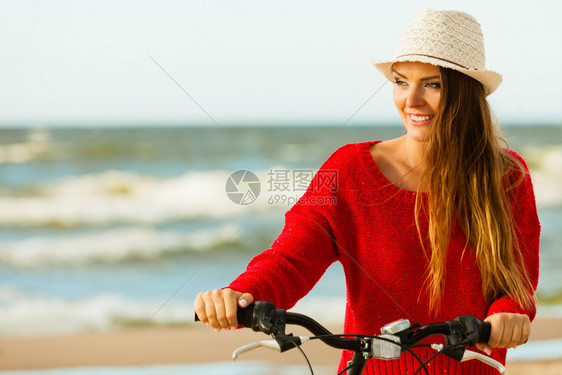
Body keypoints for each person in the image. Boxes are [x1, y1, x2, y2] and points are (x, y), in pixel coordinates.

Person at [194, 8, 540, 374]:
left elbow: (516, 286)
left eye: (432, 84)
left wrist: (509, 315)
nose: (412, 100)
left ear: (466, 92)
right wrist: (241, 293)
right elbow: (291, 258)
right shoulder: (349, 169)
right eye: (401, 81)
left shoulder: (506, 177)